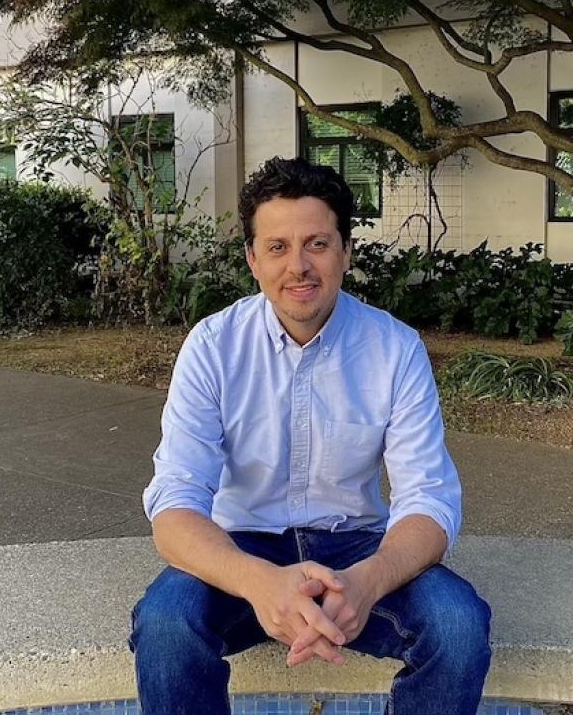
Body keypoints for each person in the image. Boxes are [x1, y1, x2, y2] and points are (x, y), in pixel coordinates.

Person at [129, 156, 492, 715]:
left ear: (346, 252)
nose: (298, 266)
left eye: (317, 244)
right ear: (253, 259)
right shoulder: (212, 346)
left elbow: (429, 498)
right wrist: (259, 583)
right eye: (277, 247)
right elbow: (176, 501)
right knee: (165, 624)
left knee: (458, 625)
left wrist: (368, 584)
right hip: (242, 545)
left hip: (357, 548)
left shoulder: (394, 349)